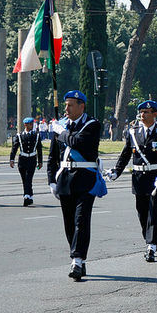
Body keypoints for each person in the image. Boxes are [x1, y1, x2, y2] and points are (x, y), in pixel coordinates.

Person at [47, 90, 105, 281]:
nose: (67, 109)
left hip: (85, 180)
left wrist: (60, 132)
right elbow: (53, 157)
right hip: (64, 180)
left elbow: (77, 142)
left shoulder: (92, 125)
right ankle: (78, 256)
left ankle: (77, 260)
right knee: (69, 223)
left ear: (82, 106)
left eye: (71, 105)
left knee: (81, 220)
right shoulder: (61, 126)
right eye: (65, 105)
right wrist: (51, 181)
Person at [106, 100, 157, 262]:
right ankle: (148, 237)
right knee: (142, 211)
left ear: (154, 114)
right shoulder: (133, 133)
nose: (142, 115)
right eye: (141, 112)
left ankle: (152, 245)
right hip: (138, 179)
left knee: (154, 212)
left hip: (156, 178)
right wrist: (116, 171)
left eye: (146, 112)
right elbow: (125, 155)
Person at [10, 117, 43, 206]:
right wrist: (12, 159)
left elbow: (39, 149)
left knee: (29, 178)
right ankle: (30, 196)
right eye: (30, 124)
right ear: (25, 125)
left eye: (32, 124)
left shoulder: (36, 135)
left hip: (32, 159)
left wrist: (40, 161)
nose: (32, 126)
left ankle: (26, 196)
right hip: (22, 160)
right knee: (25, 179)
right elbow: (14, 148)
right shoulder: (20, 135)